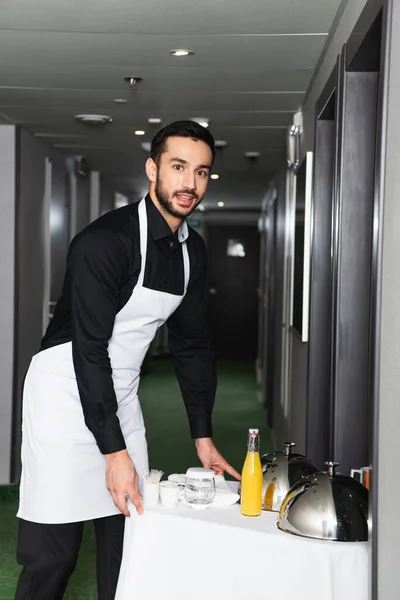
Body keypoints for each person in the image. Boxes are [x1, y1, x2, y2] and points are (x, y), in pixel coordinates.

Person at [14, 120, 241, 600]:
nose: (190, 184)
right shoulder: (105, 241)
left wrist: (202, 435)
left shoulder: (191, 252)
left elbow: (193, 345)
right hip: (64, 390)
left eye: (201, 173)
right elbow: (90, 349)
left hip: (121, 390)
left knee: (132, 536)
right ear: (152, 168)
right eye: (178, 168)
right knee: (54, 552)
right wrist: (113, 452)